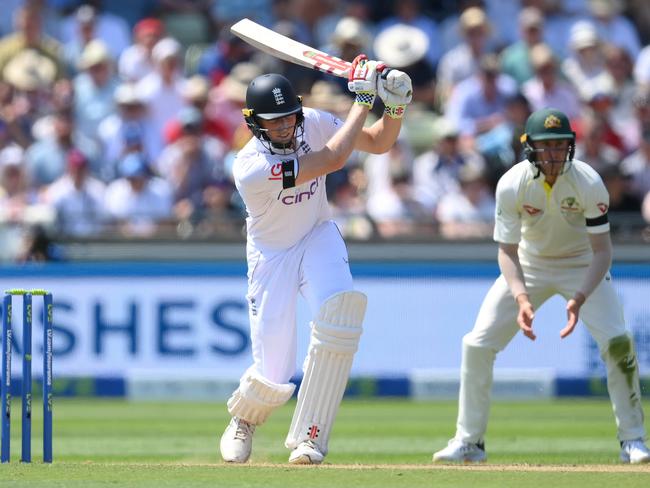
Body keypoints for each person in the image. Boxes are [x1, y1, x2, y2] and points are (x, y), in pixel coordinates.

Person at [219, 57, 412, 464]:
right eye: (274, 122)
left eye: (288, 118)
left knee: (339, 316)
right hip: (272, 256)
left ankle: (311, 436)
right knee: (274, 371)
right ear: (255, 124)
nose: (285, 127)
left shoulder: (313, 121)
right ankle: (245, 418)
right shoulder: (251, 166)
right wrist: (363, 97)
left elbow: (378, 142)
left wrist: (394, 107)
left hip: (317, 235)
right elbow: (331, 161)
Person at [432, 107, 650, 465]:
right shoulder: (511, 184)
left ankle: (633, 440)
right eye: (546, 146)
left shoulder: (589, 182)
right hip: (529, 265)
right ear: (529, 147)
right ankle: (469, 441)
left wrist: (579, 298)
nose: (554, 154)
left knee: (618, 343)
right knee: (476, 344)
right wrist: (520, 296)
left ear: (571, 146)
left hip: (583, 265)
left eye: (561, 145)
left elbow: (602, 251)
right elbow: (506, 251)